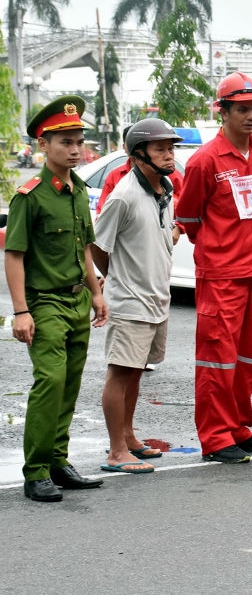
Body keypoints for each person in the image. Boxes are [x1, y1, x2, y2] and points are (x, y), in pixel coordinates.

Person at [6, 96, 109, 502]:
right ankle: (35, 471)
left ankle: (57, 461)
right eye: (65, 141)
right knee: (49, 380)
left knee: (69, 383)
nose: (74, 148)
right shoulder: (29, 195)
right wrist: (20, 312)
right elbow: (14, 255)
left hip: (77, 299)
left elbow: (84, 248)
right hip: (44, 302)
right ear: (43, 145)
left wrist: (97, 293)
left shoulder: (78, 190)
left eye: (78, 140)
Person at [174, 72, 252, 464]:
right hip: (221, 274)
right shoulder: (205, 161)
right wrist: (220, 248)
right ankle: (215, 438)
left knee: (248, 355)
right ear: (224, 111)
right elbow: (189, 217)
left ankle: (238, 427)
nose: (251, 117)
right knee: (217, 358)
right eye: (243, 110)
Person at [91, 119, 180, 474]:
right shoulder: (124, 196)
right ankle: (116, 452)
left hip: (157, 297)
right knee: (120, 373)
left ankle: (129, 437)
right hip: (129, 300)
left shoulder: (165, 189)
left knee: (137, 372)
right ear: (139, 154)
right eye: (160, 148)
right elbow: (98, 246)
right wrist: (116, 279)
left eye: (170, 147)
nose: (169, 154)